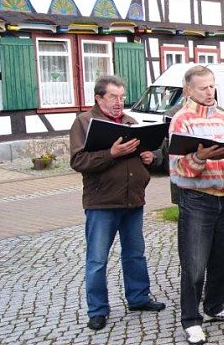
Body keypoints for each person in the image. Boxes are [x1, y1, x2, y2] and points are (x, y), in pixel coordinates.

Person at [69, 75, 166, 331]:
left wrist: (150, 157)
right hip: (101, 203)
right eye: (113, 97)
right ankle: (98, 310)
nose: (118, 102)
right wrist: (110, 154)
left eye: (122, 97)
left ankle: (138, 298)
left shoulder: (130, 122)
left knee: (135, 254)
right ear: (99, 98)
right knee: (98, 259)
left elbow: (149, 157)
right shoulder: (85, 123)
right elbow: (79, 161)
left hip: (133, 200)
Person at [169, 65, 224, 345]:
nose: (209, 92)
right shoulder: (181, 120)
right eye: (203, 87)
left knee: (223, 261)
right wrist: (200, 158)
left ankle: (215, 306)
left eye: (212, 86)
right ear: (188, 89)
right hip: (197, 200)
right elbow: (177, 170)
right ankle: (191, 320)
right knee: (194, 263)